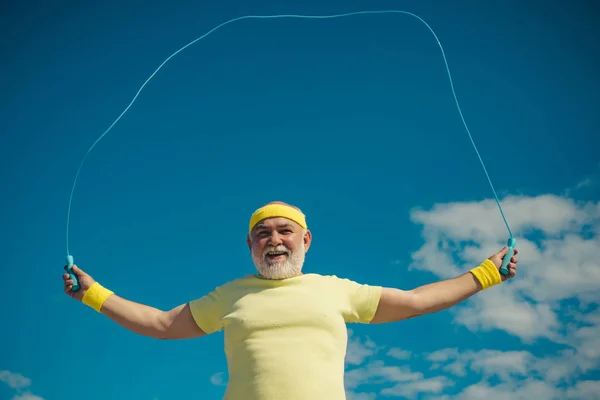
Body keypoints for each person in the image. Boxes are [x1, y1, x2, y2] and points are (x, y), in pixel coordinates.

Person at [63, 201, 518, 400]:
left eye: (284, 231)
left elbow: (417, 300)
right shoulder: (231, 295)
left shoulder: (336, 289)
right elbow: (161, 323)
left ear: (306, 240)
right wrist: (92, 294)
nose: (274, 240)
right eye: (262, 233)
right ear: (250, 246)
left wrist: (485, 274)